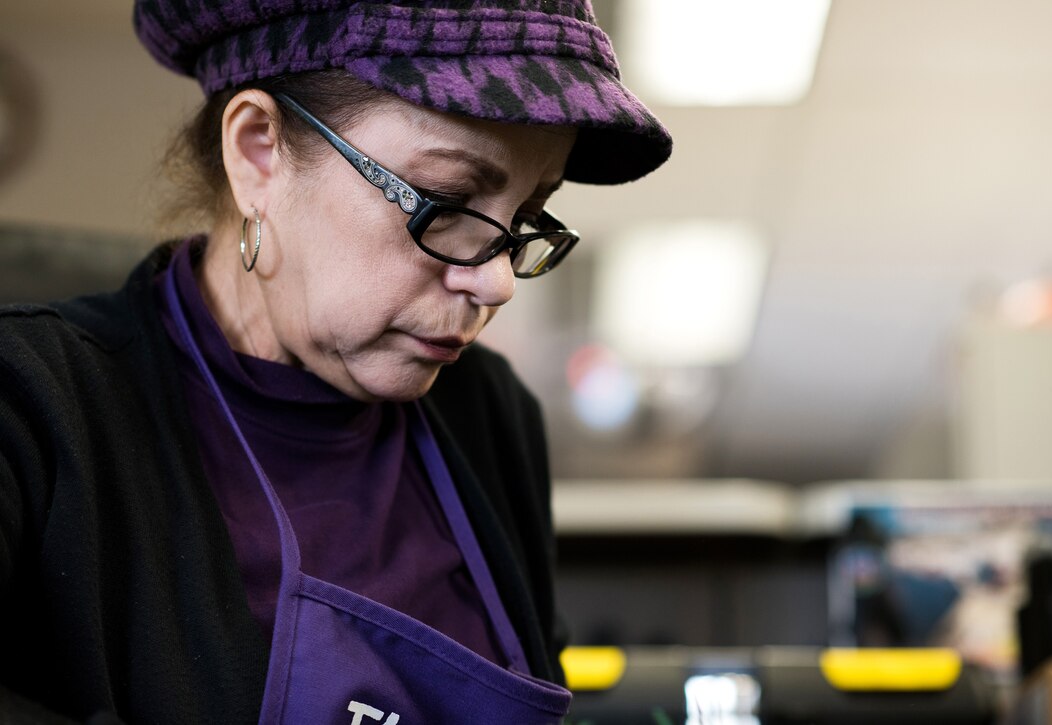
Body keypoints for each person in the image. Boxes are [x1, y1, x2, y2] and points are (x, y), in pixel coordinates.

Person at [0, 0, 671, 722]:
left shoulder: (491, 414)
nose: (499, 280)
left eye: (527, 216)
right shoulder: (30, 407)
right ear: (259, 151)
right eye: (445, 200)